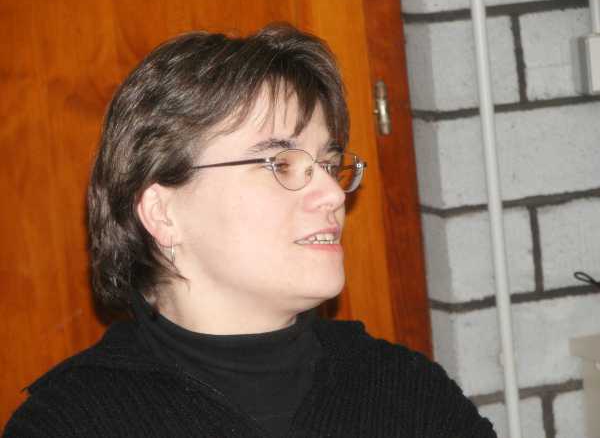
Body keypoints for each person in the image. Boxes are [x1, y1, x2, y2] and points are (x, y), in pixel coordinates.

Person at [4, 24, 496, 437]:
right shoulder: (69, 424)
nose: (332, 193)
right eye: (280, 163)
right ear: (162, 213)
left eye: (328, 164)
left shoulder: (406, 394)